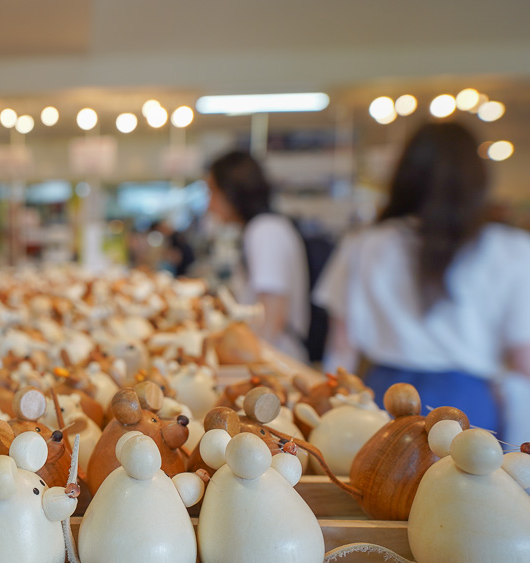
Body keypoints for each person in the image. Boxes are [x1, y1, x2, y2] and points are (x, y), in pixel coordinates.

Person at [313, 121, 530, 433]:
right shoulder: (511, 249)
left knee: (383, 479)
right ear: (478, 178)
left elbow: (342, 346)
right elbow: (524, 363)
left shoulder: (366, 244)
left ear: (406, 175)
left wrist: (330, 412)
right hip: (471, 405)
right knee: (472, 480)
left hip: (386, 400)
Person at [205, 151, 309, 361]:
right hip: (269, 355)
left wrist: (252, 365)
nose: (210, 205)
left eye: (212, 192)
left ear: (232, 191)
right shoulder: (264, 228)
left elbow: (271, 316)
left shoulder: (265, 231)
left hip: (276, 358)